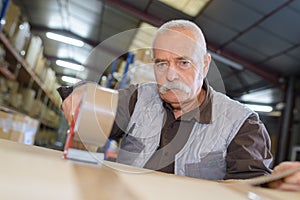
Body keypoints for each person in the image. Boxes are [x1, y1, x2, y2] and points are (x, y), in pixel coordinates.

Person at [59, 19, 273, 180]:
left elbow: (250, 189)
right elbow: (97, 106)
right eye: (162, 64)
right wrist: (82, 93)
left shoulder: (242, 124)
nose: (170, 75)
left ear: (205, 65)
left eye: (183, 63)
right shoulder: (137, 99)